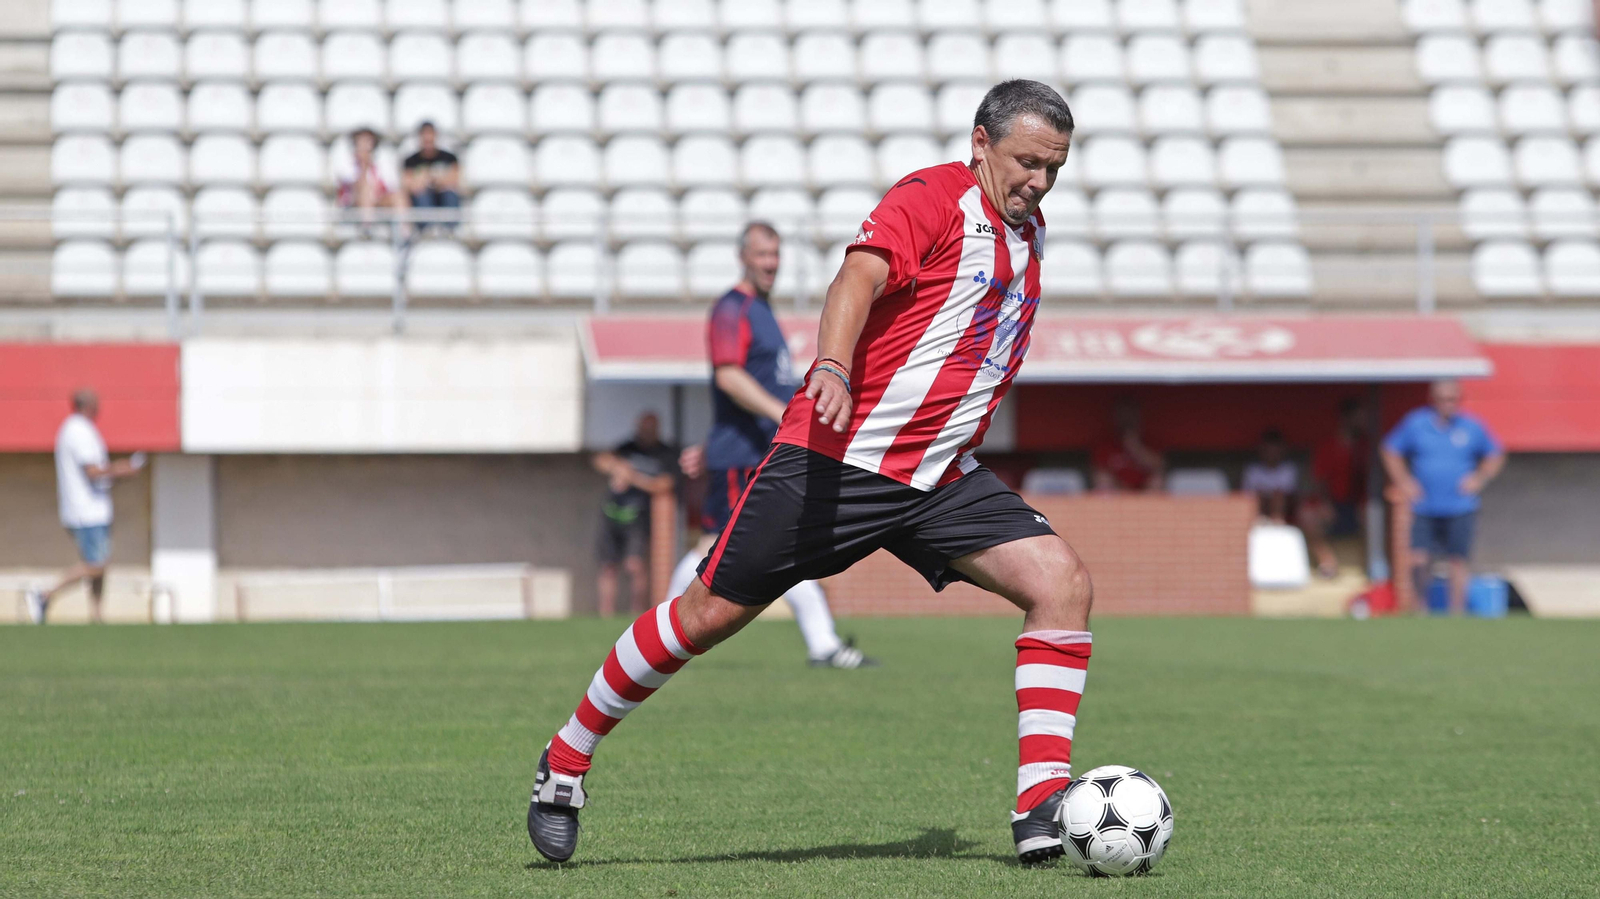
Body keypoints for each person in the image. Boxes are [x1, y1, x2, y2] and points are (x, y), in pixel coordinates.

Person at [530, 80, 1089, 868]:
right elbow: (856, 278)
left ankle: (1040, 801)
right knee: (704, 616)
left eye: (1054, 168)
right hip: (839, 460)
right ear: (981, 143)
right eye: (1027, 161)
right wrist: (832, 362)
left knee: (1062, 582)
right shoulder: (933, 197)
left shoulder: (1030, 233)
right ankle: (567, 760)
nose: (1038, 180)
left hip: (938, 478)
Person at [661, 224, 875, 669]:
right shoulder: (732, 308)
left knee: (755, 544)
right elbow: (728, 375)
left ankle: (657, 632)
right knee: (747, 546)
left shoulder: (762, 311)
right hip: (742, 454)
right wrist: (782, 414)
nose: (771, 263)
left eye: (775, 254)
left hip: (751, 451)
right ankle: (658, 632)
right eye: (762, 254)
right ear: (743, 257)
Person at [1381, 379, 1505, 614]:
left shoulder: (1472, 427)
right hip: (1424, 506)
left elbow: (1495, 455)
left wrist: (1479, 479)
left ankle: (1456, 612)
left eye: (1452, 399)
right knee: (1418, 559)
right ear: (1432, 399)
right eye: (1442, 399)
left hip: (1460, 506)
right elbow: (1390, 450)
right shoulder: (1416, 423)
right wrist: (1405, 482)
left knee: (1457, 560)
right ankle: (1421, 610)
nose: (1447, 404)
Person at [25, 390, 146, 624]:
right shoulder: (78, 431)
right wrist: (123, 468)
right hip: (86, 511)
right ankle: (44, 594)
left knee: (98, 564)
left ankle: (96, 615)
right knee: (98, 564)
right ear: (88, 405)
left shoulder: (81, 430)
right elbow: (92, 471)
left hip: (93, 509)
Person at [593, 412, 677, 617]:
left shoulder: (664, 454)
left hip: (637, 517)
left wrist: (632, 477)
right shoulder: (627, 448)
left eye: (650, 427)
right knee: (608, 566)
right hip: (612, 513)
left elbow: (663, 485)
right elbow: (601, 460)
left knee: (635, 566)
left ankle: (636, 614)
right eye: (642, 427)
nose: (645, 431)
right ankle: (605, 614)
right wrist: (618, 467)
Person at [1299, 399, 1368, 579]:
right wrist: (1326, 504)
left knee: (1374, 513)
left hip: (1358, 505)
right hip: (1333, 504)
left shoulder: (1365, 446)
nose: (1363, 421)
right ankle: (1328, 563)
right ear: (1346, 418)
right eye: (1358, 417)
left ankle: (1372, 566)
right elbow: (1319, 480)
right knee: (1308, 514)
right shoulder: (1328, 446)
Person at [336, 127, 405, 229]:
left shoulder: (381, 164)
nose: (365, 147)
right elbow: (352, 187)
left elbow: (390, 186)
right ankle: (366, 229)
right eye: (362, 142)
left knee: (398, 196)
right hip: (352, 203)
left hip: (377, 201)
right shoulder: (347, 164)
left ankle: (404, 231)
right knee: (366, 190)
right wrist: (364, 167)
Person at [1091, 399, 1164, 492]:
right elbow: (1100, 474)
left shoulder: (1150, 442)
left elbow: (1158, 465)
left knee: (1157, 479)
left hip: (1145, 493)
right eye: (1123, 415)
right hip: (1118, 493)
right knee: (1103, 479)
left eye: (1130, 415)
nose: (1127, 420)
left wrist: (1135, 447)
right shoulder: (1105, 445)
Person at [401, 122, 460, 233]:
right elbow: (409, 185)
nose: (428, 139)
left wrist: (432, 179)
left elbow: (455, 180)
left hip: (443, 197)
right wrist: (433, 179)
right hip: (424, 199)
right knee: (422, 195)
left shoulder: (449, 157)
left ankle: (450, 229)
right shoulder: (410, 160)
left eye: (430, 135)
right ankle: (427, 230)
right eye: (425, 135)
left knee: (450, 194)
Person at [1241, 429, 1298, 524]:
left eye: (1275, 450)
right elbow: (1246, 496)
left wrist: (1271, 496)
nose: (1271, 454)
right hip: (1258, 509)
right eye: (1268, 450)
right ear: (1261, 450)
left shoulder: (1289, 469)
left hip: (1284, 509)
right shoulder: (1252, 470)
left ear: (1282, 450)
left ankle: (1277, 523)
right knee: (1258, 497)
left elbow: (1290, 496)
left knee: (1278, 498)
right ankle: (1259, 523)